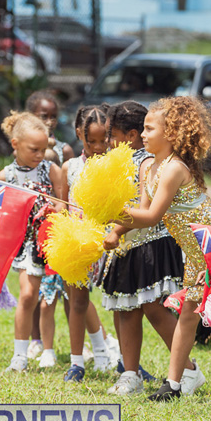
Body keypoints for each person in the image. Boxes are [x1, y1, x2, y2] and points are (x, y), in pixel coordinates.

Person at [113, 96, 211, 402]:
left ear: (171, 134)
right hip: (192, 250)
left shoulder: (173, 169)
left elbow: (152, 217)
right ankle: (174, 384)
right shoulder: (152, 169)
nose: (142, 134)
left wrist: (109, 211)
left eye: (149, 128)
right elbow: (142, 214)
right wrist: (117, 227)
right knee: (188, 312)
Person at [100, 101, 192, 396]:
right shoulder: (137, 163)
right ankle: (130, 373)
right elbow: (137, 206)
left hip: (154, 241)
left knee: (154, 307)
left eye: (112, 135)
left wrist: (113, 223)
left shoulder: (161, 163)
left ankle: (186, 369)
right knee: (127, 308)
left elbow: (149, 212)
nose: (109, 142)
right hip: (130, 242)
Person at [0, 111, 63, 372]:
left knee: (54, 300)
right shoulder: (6, 177)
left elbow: (63, 203)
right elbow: (1, 216)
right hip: (25, 246)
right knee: (27, 296)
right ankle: (20, 356)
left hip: (52, 243)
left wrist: (52, 209)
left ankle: (52, 349)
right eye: (34, 149)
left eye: (44, 149)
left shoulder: (51, 170)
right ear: (15, 145)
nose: (39, 155)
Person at [61, 105, 120, 383]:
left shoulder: (116, 166)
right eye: (91, 141)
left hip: (110, 242)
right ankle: (76, 362)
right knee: (78, 302)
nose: (98, 146)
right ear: (79, 135)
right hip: (78, 243)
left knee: (121, 304)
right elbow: (62, 204)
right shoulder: (70, 167)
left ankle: (124, 362)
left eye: (103, 140)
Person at [24, 89, 73, 364]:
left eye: (54, 116)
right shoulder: (25, 152)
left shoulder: (63, 149)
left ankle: (76, 340)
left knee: (65, 288)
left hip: (56, 227)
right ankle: (35, 339)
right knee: (32, 288)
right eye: (44, 116)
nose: (50, 121)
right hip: (31, 231)